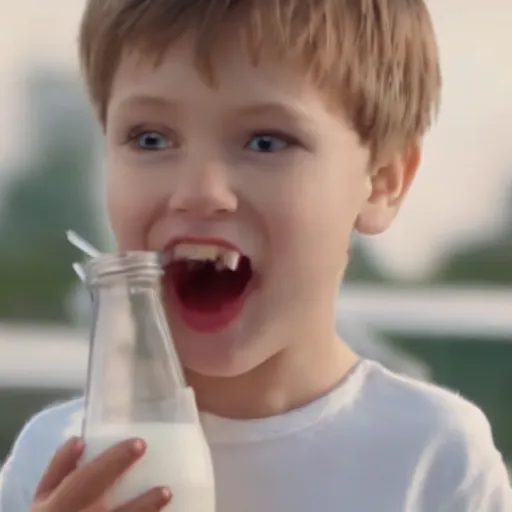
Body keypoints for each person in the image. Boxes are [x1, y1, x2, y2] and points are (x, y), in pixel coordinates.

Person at [1, 0, 511, 510]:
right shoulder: (57, 463)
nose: (199, 191)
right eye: (150, 138)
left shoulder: (434, 459)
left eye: (266, 142)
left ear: (381, 182)